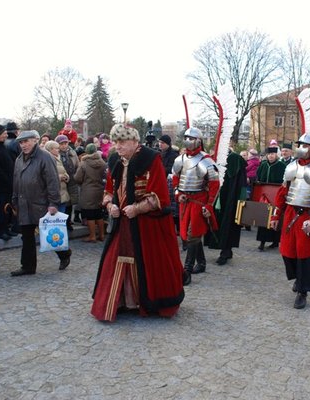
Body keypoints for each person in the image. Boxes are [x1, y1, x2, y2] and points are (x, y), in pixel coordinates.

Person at [90, 123, 184, 322]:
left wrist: (137, 208)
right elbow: (108, 190)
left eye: (122, 142)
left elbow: (159, 196)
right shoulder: (115, 159)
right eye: (116, 142)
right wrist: (110, 206)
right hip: (121, 223)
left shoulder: (151, 159)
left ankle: (148, 302)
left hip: (149, 224)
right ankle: (123, 301)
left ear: (134, 142)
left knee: (151, 262)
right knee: (115, 258)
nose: (118, 146)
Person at [270, 132, 310, 310]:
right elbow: (282, 194)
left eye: (305, 146)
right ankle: (298, 278)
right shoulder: (291, 167)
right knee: (287, 251)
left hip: (308, 215)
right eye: (300, 145)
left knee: (305, 254)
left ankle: (303, 291)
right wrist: (276, 215)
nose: (301, 148)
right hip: (291, 214)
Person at [10, 130, 71, 276]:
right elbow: (16, 180)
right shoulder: (19, 159)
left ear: (34, 141)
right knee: (27, 236)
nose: (23, 145)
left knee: (48, 232)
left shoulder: (45, 157)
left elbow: (53, 182)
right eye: (21, 142)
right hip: (24, 203)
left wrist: (53, 203)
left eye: (26, 141)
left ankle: (65, 254)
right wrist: (14, 199)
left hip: (42, 203)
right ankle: (28, 266)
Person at [172, 127, 220, 284]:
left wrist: (209, 204)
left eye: (191, 138)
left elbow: (214, 185)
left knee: (193, 234)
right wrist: (178, 193)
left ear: (198, 141)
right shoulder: (180, 159)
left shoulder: (205, 160)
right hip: (185, 201)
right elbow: (175, 179)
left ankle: (187, 270)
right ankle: (202, 263)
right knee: (187, 234)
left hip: (199, 201)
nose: (188, 140)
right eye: (186, 137)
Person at [205, 148, 247, 265]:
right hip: (216, 196)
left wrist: (242, 200)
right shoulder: (213, 160)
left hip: (230, 197)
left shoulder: (235, 160)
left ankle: (225, 251)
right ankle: (225, 250)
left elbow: (242, 183)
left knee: (227, 224)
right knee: (217, 223)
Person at [74, 143, 107, 242]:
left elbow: (77, 178)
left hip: (88, 191)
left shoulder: (84, 163)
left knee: (89, 214)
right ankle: (101, 235)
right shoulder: (102, 162)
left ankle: (92, 236)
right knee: (98, 213)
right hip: (100, 190)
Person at [255, 147, 286, 251]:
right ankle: (262, 242)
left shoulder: (282, 166)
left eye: (273, 154)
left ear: (276, 155)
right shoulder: (263, 165)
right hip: (265, 196)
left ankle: (275, 241)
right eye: (269, 154)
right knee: (263, 218)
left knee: (276, 216)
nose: (271, 156)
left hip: (276, 196)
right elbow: (258, 177)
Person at [56, 135, 80, 228]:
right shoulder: (56, 154)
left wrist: (76, 176)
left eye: (65, 143)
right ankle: (62, 222)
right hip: (62, 181)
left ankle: (68, 221)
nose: (64, 145)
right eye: (61, 144)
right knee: (63, 202)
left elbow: (78, 165)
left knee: (70, 202)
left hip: (72, 180)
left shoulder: (72, 152)